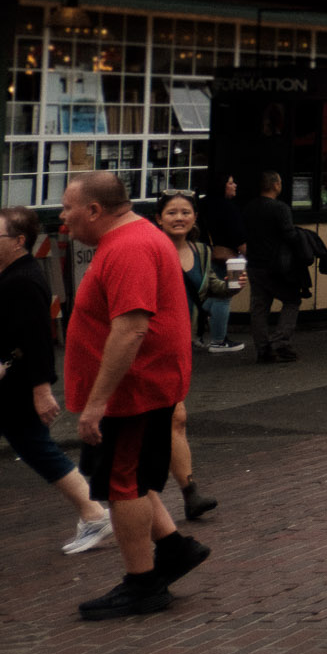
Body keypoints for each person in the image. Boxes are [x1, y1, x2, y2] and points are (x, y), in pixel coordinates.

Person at [59, 172, 210, 619]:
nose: (63, 217)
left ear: (94, 211)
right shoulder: (135, 238)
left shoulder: (128, 247)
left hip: (135, 390)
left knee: (124, 485)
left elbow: (131, 327)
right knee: (130, 477)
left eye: (68, 208)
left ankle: (142, 585)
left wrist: (97, 401)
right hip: (139, 388)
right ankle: (173, 548)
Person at [0, 205, 115, 555]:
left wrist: (42, 389)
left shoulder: (24, 279)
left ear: (18, 241)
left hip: (11, 387)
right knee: (35, 447)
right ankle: (93, 513)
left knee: (37, 448)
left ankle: (94, 513)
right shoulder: (6, 273)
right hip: (6, 386)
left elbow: (37, 339)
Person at [151, 193, 222, 520]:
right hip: (151, 345)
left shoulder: (202, 251)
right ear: (159, 217)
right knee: (174, 417)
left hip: (181, 346)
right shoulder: (150, 249)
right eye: (172, 212)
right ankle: (183, 492)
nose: (179, 217)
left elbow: (207, 288)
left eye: (186, 212)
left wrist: (233, 286)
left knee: (170, 419)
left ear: (195, 217)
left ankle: (179, 492)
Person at [240, 171, 307, 364]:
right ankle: (280, 341)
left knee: (259, 306)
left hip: (254, 263)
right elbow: (290, 235)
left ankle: (262, 348)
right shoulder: (281, 208)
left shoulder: (249, 208)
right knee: (292, 300)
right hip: (276, 264)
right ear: (276, 185)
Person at [198, 173, 244, 350]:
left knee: (208, 296)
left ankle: (198, 333)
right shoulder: (228, 207)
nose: (235, 186)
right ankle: (219, 340)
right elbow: (240, 238)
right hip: (231, 258)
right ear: (222, 186)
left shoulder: (201, 204)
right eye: (231, 183)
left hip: (206, 256)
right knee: (225, 296)